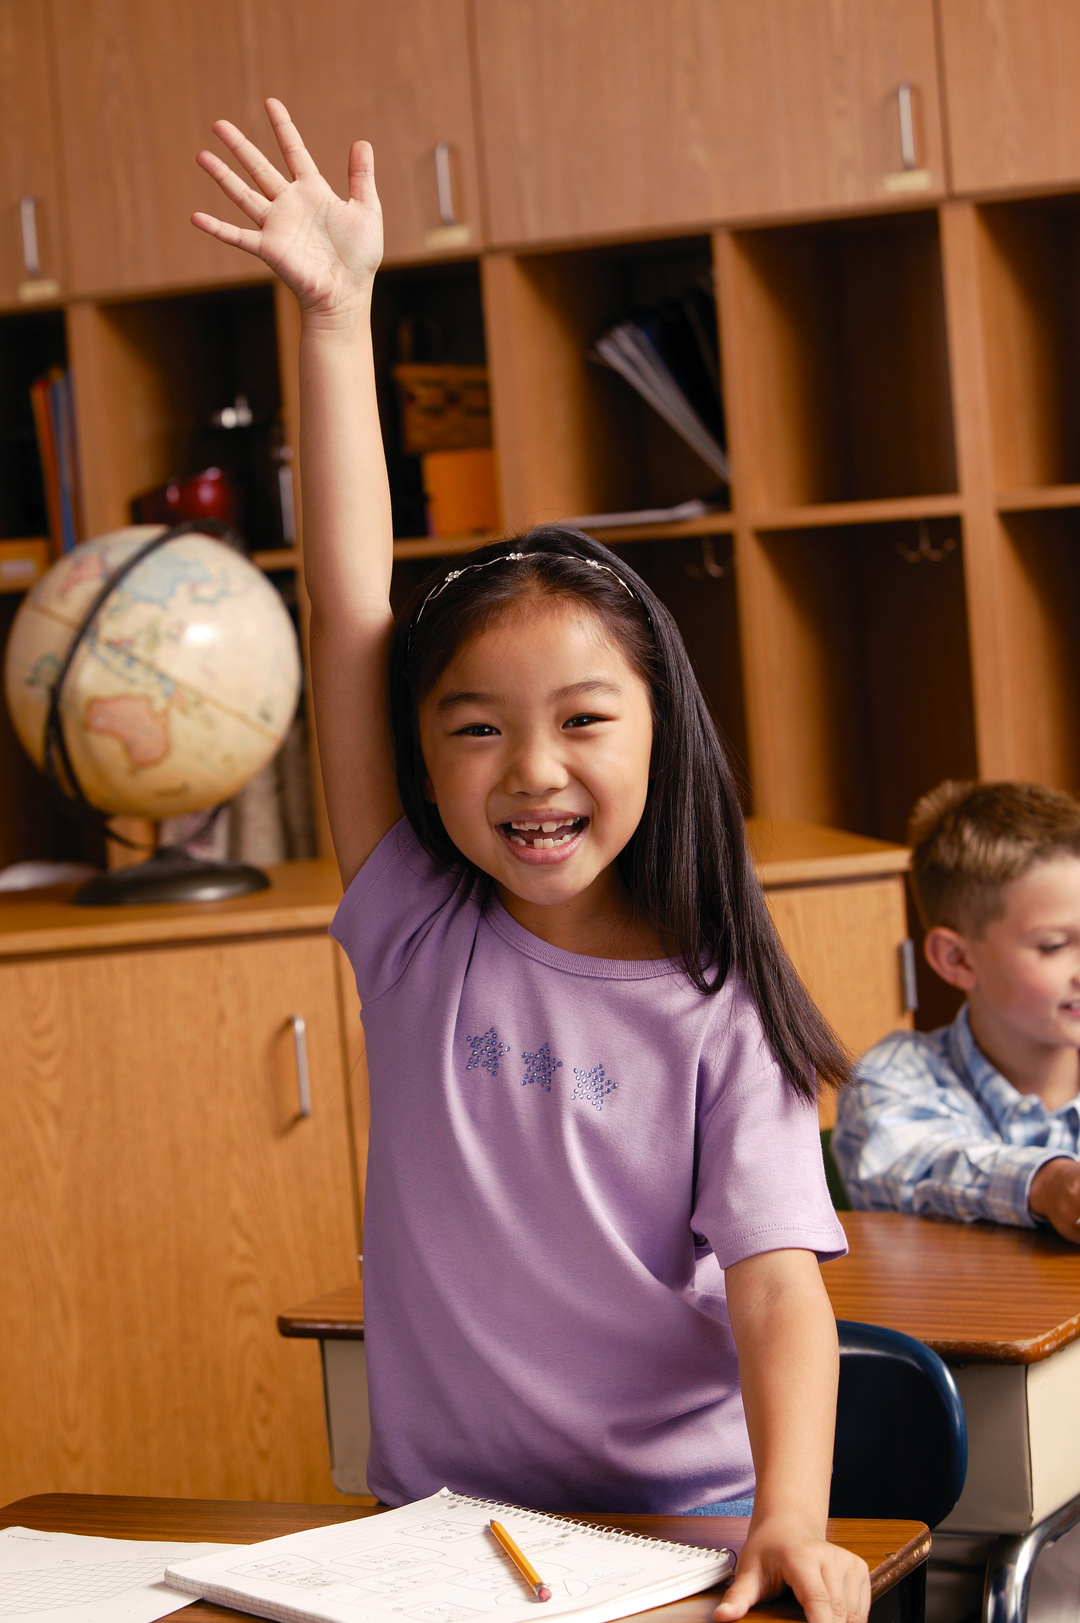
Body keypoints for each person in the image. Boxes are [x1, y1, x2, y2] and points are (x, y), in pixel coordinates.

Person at [192, 100, 869, 1623]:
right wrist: (334, 315)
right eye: (478, 728)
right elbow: (350, 602)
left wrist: (791, 1518)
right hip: (427, 1533)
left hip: (664, 1530)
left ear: (662, 730)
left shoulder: (718, 1003)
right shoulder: (418, 925)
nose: (534, 770)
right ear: (423, 758)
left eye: (581, 719)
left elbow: (778, 1290)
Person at [833, 780, 1080, 1241]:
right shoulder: (892, 1078)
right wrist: (1049, 1184)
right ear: (957, 960)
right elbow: (914, 1159)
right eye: (1054, 945)